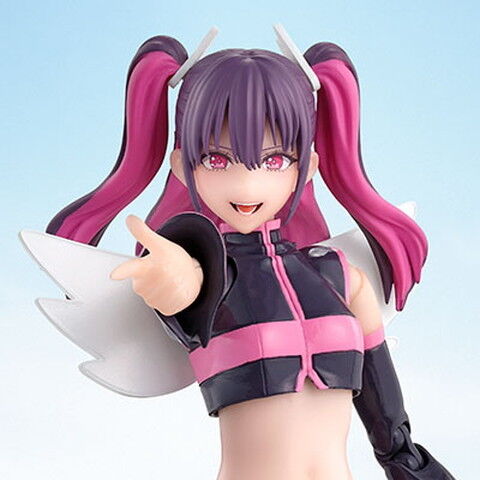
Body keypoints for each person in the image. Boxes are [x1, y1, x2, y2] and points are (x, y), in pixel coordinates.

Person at [46, 34, 456, 479]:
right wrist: (172, 277)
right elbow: (184, 288)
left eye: (275, 160)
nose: (247, 185)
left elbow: (390, 430)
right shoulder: (208, 279)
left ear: (307, 166)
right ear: (183, 165)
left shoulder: (341, 277)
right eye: (217, 160)